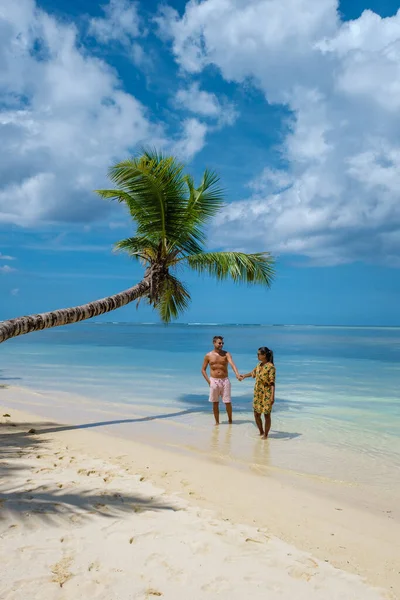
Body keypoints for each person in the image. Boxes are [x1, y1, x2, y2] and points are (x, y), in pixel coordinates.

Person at [201, 335, 241, 425]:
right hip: (213, 381)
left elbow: (232, 365)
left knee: (227, 402)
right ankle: (217, 423)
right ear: (214, 343)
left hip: (225, 380)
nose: (221, 345)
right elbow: (203, 370)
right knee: (215, 403)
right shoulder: (208, 355)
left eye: (222, 343)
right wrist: (209, 382)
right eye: (219, 343)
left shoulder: (226, 354)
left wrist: (237, 374)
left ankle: (230, 421)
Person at [240, 347, 276, 439]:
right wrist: (244, 376)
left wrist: (272, 396)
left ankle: (266, 435)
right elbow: (253, 373)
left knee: (266, 415)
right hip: (257, 393)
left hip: (266, 393)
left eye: (259, 354)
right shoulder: (259, 365)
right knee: (256, 413)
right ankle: (261, 432)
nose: (257, 355)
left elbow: (272, 383)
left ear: (264, 355)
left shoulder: (271, 367)